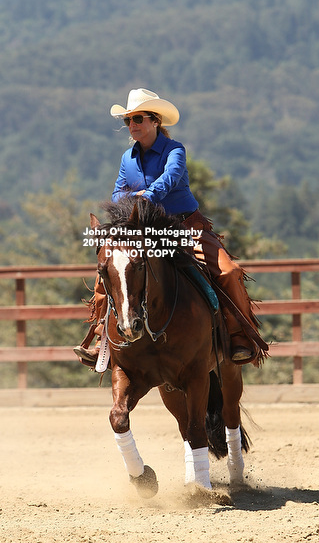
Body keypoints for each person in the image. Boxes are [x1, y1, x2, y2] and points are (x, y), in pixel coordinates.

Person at [74, 88, 268, 368]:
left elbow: (171, 177)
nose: (132, 125)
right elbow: (118, 191)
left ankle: (240, 336)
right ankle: (103, 338)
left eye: (138, 118)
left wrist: (146, 197)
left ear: (155, 121)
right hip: (144, 231)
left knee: (228, 271)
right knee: (108, 273)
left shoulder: (175, 150)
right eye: (128, 120)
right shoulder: (127, 158)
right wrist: (129, 202)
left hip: (186, 226)